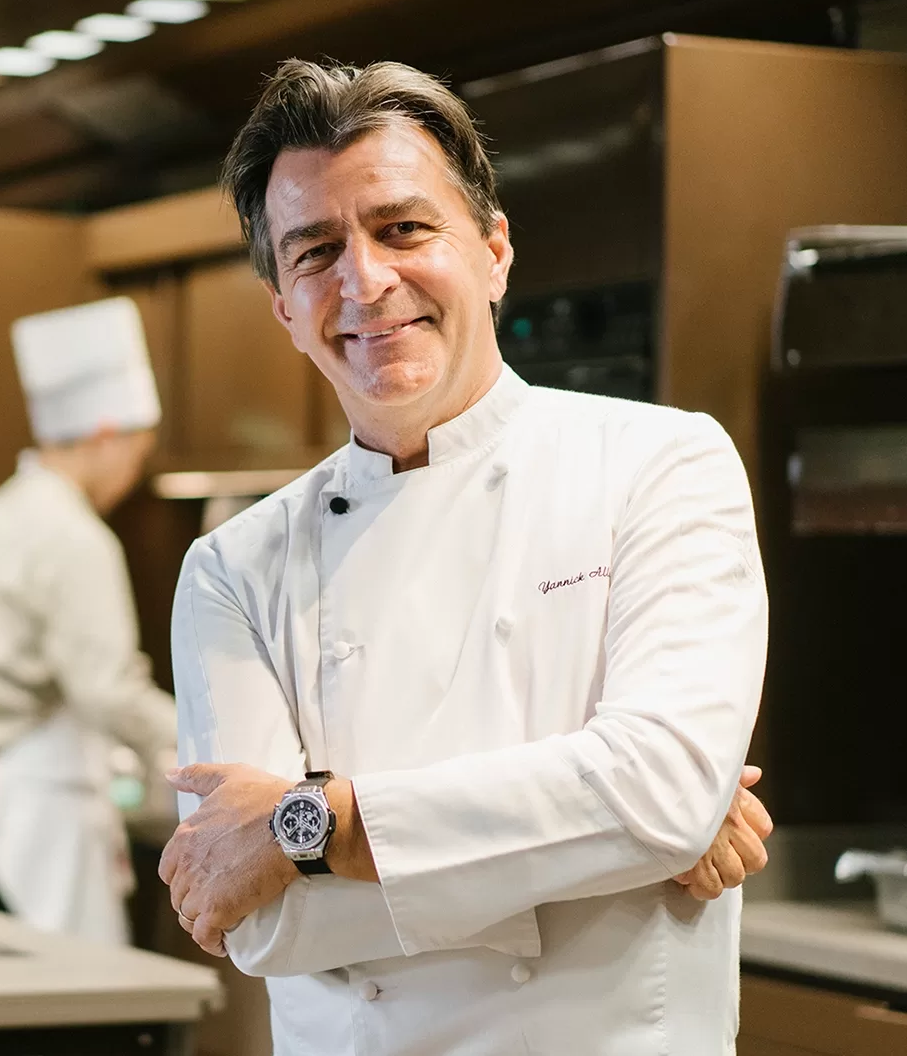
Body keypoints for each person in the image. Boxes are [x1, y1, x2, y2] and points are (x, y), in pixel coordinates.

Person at [158, 61, 771, 1054]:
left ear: (492, 252)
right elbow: (263, 920)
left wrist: (308, 826)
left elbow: (656, 789)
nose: (363, 280)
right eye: (314, 251)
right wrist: (598, 834)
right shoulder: (234, 566)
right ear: (282, 307)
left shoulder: (661, 463)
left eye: (402, 228)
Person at [0, 296, 180, 945]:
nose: (131, 474)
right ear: (102, 434)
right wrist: (199, 736)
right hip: (39, 807)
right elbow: (107, 688)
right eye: (135, 453)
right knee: (67, 1004)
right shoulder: (73, 537)